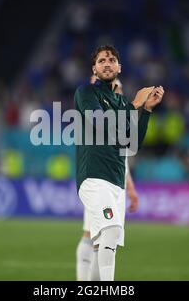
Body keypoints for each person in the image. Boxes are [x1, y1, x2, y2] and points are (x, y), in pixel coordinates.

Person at [74, 45, 164, 281]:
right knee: (112, 231)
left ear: (119, 67)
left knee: (102, 244)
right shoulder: (86, 93)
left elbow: (132, 144)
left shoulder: (121, 101)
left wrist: (146, 111)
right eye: (102, 60)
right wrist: (135, 105)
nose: (107, 63)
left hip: (115, 182)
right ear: (94, 68)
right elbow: (100, 123)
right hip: (93, 177)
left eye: (111, 59)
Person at [76, 76, 139, 281]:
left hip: (115, 182)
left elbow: (124, 158)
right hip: (97, 177)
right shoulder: (95, 107)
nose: (118, 92)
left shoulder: (120, 116)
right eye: (116, 88)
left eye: (119, 89)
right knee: (93, 233)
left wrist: (129, 188)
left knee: (101, 240)